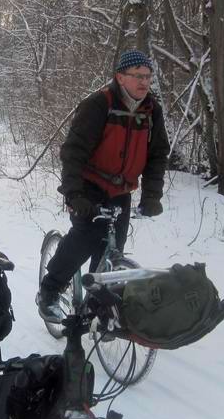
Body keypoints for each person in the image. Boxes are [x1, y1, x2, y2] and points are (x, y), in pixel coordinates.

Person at [37, 50, 170, 322]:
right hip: (89, 186)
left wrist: (152, 196)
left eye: (148, 76)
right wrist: (74, 194)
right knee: (86, 236)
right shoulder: (99, 104)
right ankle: (49, 291)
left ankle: (100, 309)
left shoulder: (151, 111)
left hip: (121, 192)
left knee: (112, 253)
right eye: (138, 76)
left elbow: (158, 154)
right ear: (120, 77)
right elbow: (73, 152)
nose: (144, 82)